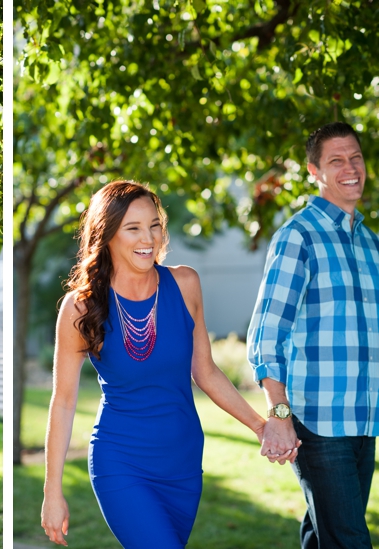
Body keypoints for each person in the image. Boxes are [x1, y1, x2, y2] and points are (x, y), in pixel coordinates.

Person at [41, 180, 271, 548]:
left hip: (182, 463)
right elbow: (64, 400)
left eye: (154, 225)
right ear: (108, 234)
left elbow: (205, 371)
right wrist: (52, 491)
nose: (147, 237)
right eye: (132, 228)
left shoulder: (184, 284)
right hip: (122, 462)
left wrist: (261, 427)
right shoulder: (80, 308)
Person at [248, 121, 379, 549]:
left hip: (364, 422)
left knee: (325, 537)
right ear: (314, 171)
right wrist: (280, 417)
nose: (350, 168)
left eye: (355, 158)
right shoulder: (298, 237)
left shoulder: (372, 246)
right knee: (350, 541)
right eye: (336, 161)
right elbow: (268, 333)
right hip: (318, 424)